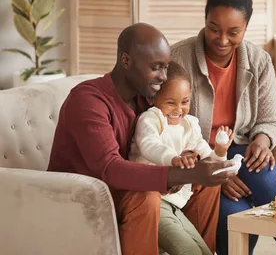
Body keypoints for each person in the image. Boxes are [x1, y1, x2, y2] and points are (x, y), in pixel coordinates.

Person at [47, 23, 236, 255]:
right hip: (84, 196)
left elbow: (166, 140)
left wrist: (194, 160)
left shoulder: (144, 100)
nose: (163, 77)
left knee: (206, 185)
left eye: (166, 68)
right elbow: (110, 169)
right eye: (156, 68)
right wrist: (182, 173)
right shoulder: (88, 101)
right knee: (146, 196)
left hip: (120, 190)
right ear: (126, 61)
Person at [171, 0, 276, 255]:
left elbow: (271, 120)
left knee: (273, 187)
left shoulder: (259, 61)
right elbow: (168, 127)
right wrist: (214, 174)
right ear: (205, 20)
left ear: (246, 27)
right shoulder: (178, 59)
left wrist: (262, 139)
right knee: (233, 216)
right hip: (198, 158)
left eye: (233, 32)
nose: (222, 40)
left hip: (242, 151)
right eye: (214, 29)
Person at [129, 61, 234, 255]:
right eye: (171, 102)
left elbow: (210, 160)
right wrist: (174, 160)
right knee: (189, 251)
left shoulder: (189, 125)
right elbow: (149, 145)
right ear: (152, 98)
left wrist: (220, 150)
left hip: (176, 204)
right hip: (153, 203)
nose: (178, 109)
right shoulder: (151, 118)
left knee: (205, 252)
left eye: (185, 102)